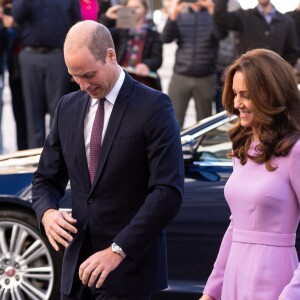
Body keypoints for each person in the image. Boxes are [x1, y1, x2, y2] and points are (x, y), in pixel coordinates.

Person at [31, 20, 184, 300]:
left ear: (111, 55)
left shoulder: (154, 106)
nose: (83, 84)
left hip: (129, 273)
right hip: (77, 271)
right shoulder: (68, 106)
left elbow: (167, 192)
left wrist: (118, 249)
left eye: (89, 74)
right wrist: (47, 212)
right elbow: (45, 179)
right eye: (74, 76)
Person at [200, 48, 300, 300]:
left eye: (246, 95)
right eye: (235, 94)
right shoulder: (242, 146)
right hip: (235, 274)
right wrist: (212, 290)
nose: (236, 104)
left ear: (270, 95)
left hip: (275, 281)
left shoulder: (295, 150)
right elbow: (236, 225)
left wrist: (291, 294)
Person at [12, 0, 82, 149]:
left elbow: (77, 24)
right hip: (30, 54)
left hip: (58, 55)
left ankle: (55, 158)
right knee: (32, 112)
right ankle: (35, 160)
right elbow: (17, 16)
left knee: (58, 110)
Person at [161, 0, 227, 129]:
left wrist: (213, 11)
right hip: (180, 75)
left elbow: (221, 34)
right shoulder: (181, 12)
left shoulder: (212, 12)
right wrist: (173, 14)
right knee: (172, 122)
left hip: (206, 76)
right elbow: (165, 38)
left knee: (204, 124)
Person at [214, 0, 299, 66]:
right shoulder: (243, 16)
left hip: (274, 81)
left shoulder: (286, 22)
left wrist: (281, 72)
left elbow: (292, 53)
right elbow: (221, 18)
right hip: (247, 77)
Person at [101, 0, 163, 90]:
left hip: (144, 82)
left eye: (137, 7)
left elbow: (157, 59)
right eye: (130, 7)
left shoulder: (153, 31)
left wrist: (146, 65)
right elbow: (101, 38)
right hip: (121, 78)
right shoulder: (120, 29)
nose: (133, 10)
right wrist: (107, 18)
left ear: (145, 10)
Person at [1, 0, 28, 150]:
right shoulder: (6, 8)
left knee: (33, 113)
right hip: (14, 66)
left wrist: (16, 25)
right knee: (19, 112)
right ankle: (22, 149)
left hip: (30, 60)